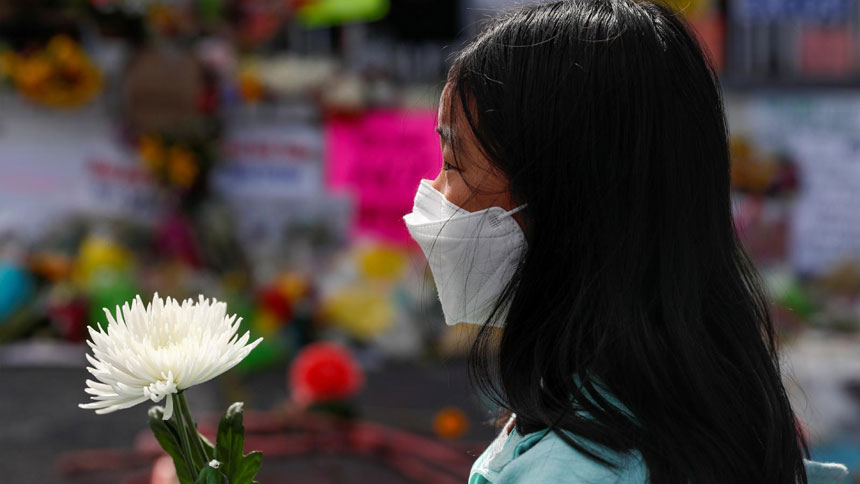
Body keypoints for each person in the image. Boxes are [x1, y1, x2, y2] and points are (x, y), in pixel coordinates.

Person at [402, 1, 850, 483]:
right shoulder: (704, 417)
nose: (434, 195)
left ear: (563, 196)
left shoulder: (577, 468)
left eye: (453, 163)